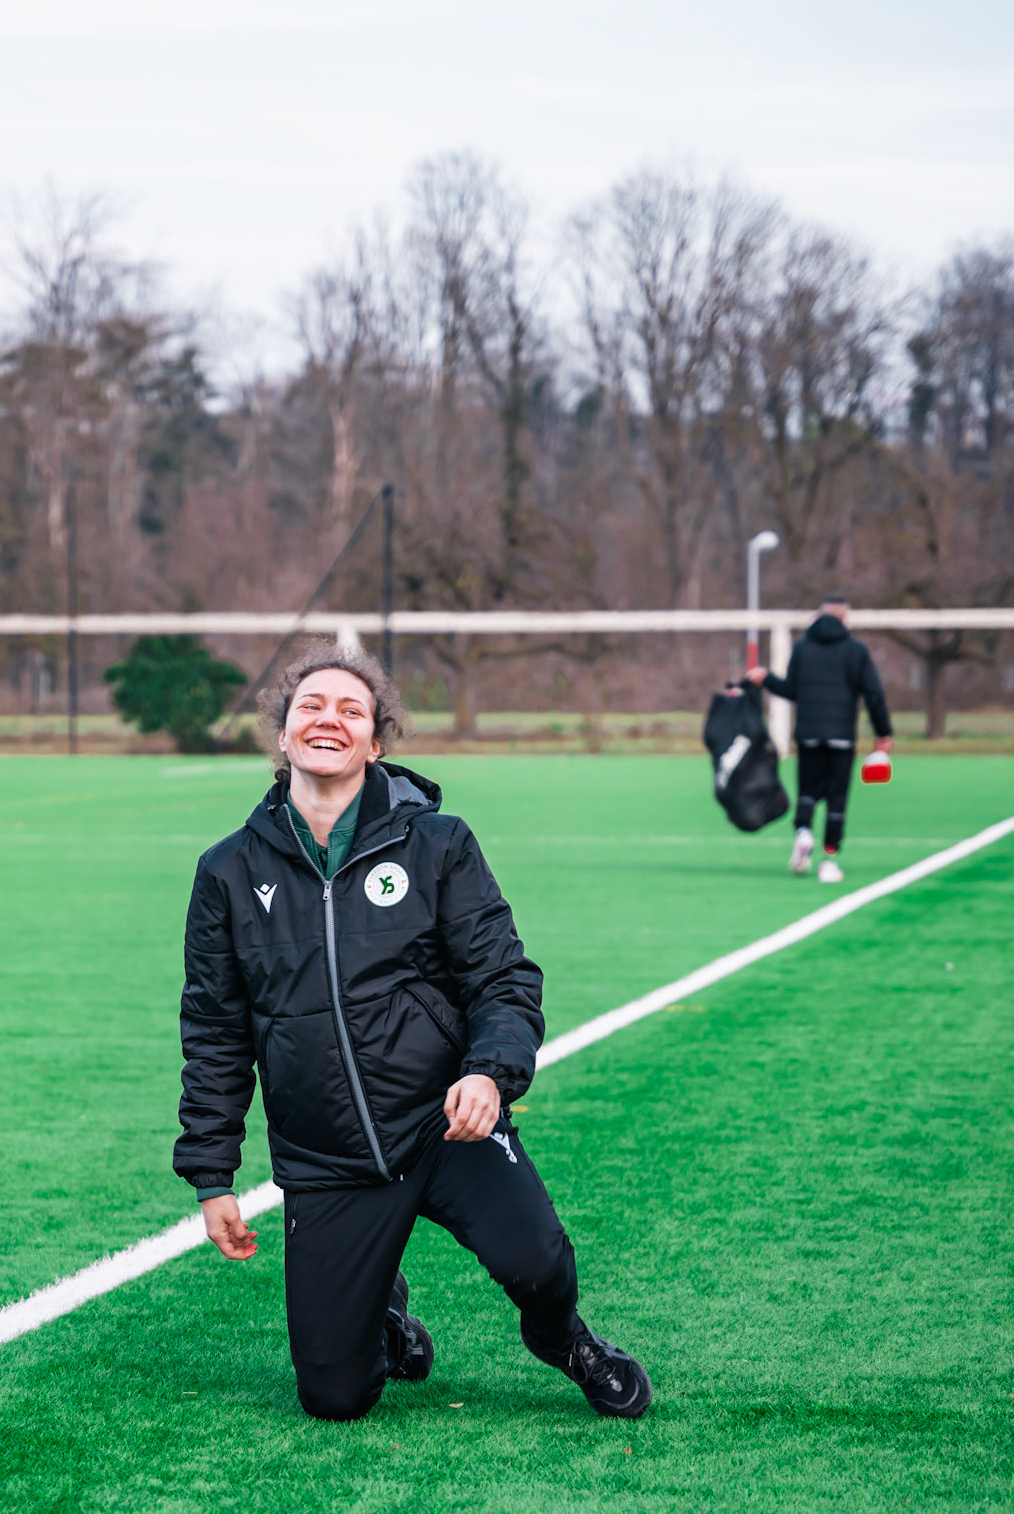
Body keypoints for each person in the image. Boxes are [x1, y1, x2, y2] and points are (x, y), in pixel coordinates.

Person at [173, 642, 652, 1424]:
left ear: (376, 742)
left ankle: (565, 1338)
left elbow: (503, 979)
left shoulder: (437, 844)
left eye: (350, 710)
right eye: (311, 707)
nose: (328, 719)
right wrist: (211, 1174)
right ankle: (384, 1311)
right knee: (333, 1398)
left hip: (442, 1127)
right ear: (284, 733)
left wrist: (489, 1075)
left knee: (536, 1260)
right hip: (326, 1157)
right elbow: (216, 1030)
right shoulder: (226, 872)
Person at [747, 594, 893, 883]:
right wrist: (883, 733)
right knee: (837, 798)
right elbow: (874, 695)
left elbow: (791, 690)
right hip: (842, 737)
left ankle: (803, 834)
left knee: (807, 792)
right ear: (844, 619)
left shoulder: (803, 648)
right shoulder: (856, 651)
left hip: (808, 735)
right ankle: (829, 859)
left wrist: (766, 678)